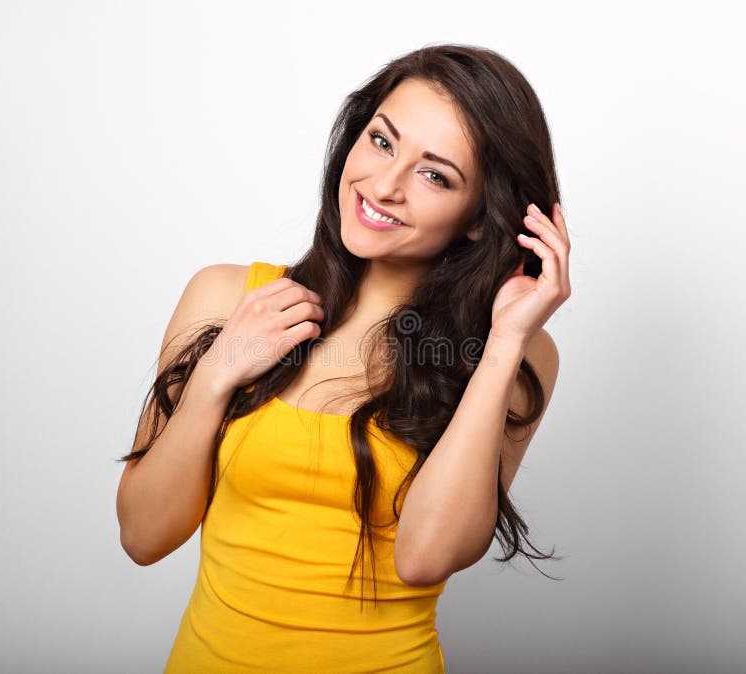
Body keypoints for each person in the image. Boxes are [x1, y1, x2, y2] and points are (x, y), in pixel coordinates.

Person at [116, 43, 571, 673]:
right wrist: (218, 373)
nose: (384, 185)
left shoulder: (514, 353)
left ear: (478, 218)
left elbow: (425, 557)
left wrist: (505, 339)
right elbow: (142, 536)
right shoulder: (226, 297)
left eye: (434, 174)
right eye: (383, 142)